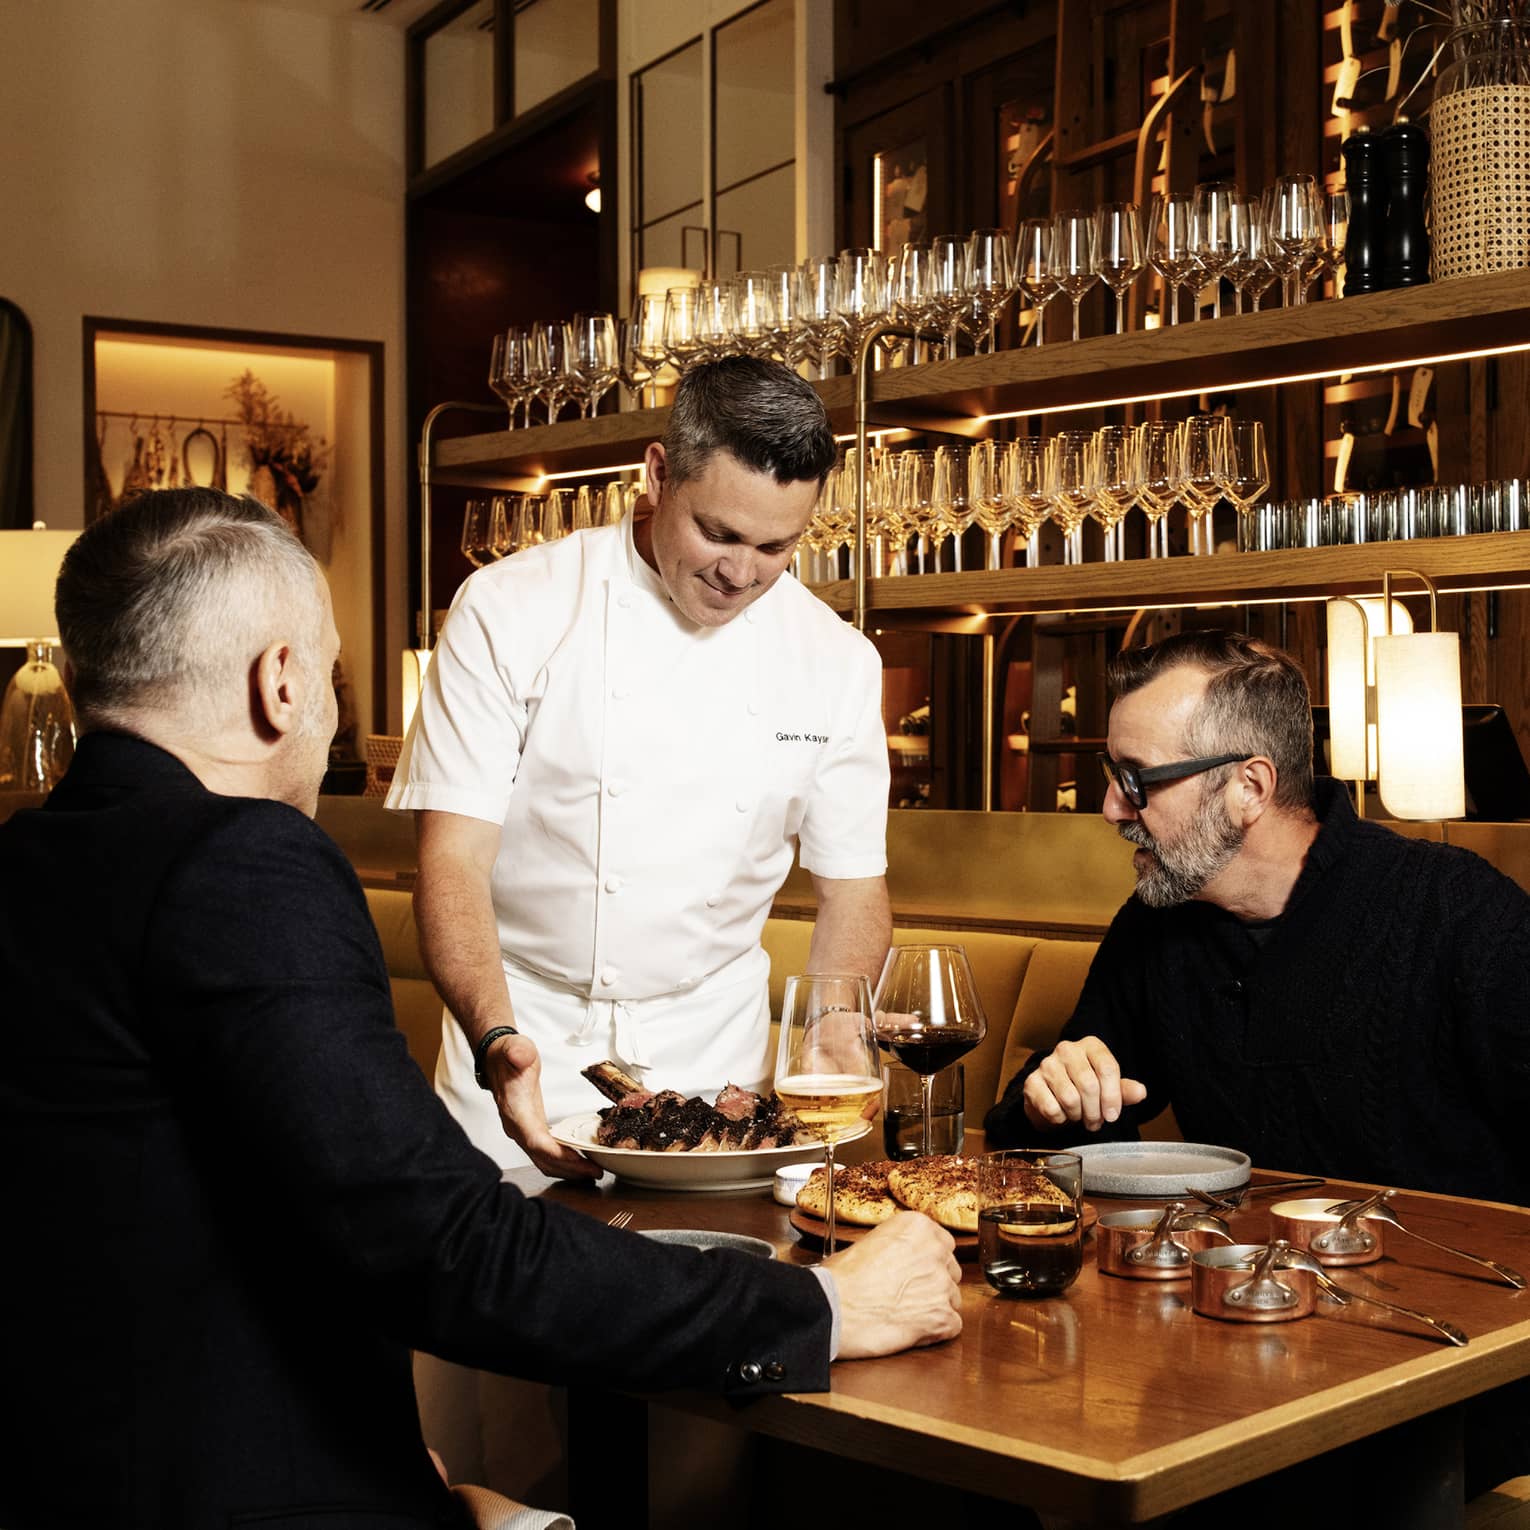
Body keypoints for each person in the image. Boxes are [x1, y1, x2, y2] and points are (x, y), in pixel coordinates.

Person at [0, 489, 961, 1530]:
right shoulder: (245, 864)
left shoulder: (27, 866)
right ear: (281, 684)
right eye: (326, 671)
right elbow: (444, 1247)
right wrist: (821, 1309)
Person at [389, 356, 893, 1177]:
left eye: (775, 546)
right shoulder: (512, 609)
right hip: (525, 1042)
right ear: (657, 473)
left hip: (718, 1059)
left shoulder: (836, 661)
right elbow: (450, 860)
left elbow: (853, 887)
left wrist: (835, 1021)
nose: (741, 573)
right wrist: (496, 1037)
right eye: (719, 533)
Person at [985, 628, 1530, 1205]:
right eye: (1112, 775)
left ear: (1249, 787)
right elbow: (1053, 1138)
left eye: (1137, 779)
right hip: (1233, 1277)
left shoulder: (1461, 912)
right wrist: (1050, 1102)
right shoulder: (1156, 923)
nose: (1111, 808)